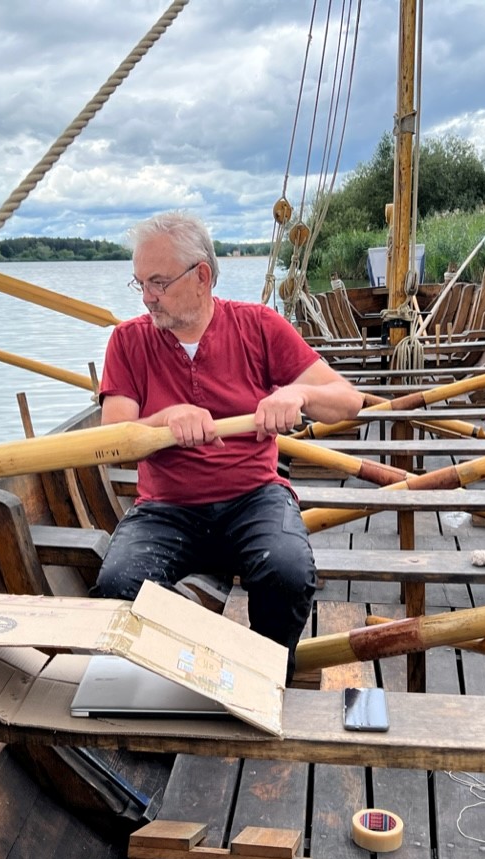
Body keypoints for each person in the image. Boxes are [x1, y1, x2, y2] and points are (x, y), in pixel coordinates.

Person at [94, 211, 365, 681]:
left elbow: (347, 401)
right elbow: (112, 440)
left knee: (287, 573)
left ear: (201, 276)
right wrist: (164, 419)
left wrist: (297, 395)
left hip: (253, 497)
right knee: (118, 587)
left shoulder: (258, 326)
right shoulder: (128, 340)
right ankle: (193, 674)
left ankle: (265, 679)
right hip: (166, 507)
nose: (146, 297)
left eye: (158, 283)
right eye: (140, 283)